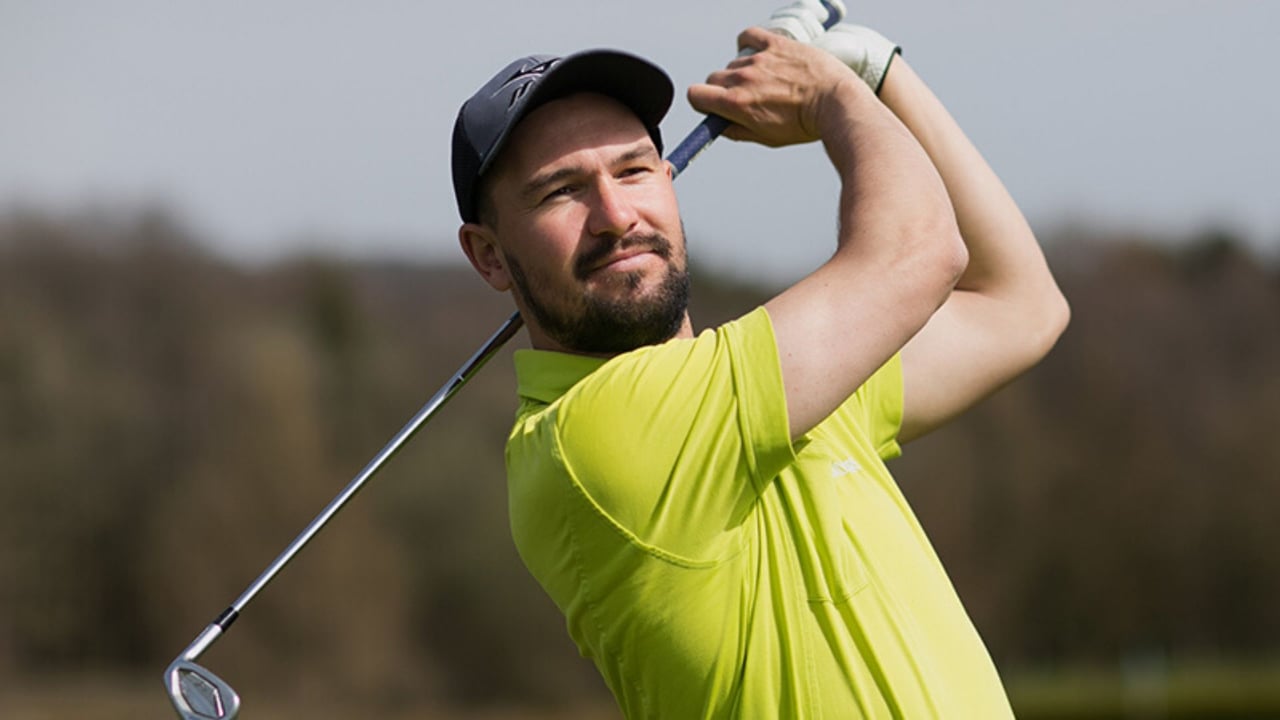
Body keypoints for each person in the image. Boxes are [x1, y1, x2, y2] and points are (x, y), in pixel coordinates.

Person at [450, 11, 1068, 718]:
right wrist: (835, 96)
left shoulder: (786, 380)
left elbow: (1020, 306)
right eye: (562, 190)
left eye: (633, 169)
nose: (616, 214)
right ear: (489, 254)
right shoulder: (588, 441)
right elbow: (922, 255)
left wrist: (882, 73)